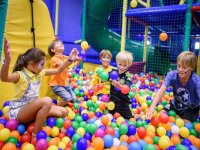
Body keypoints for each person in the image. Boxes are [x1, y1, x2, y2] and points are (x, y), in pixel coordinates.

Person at [0, 38, 80, 138]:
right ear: (31, 64)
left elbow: (58, 70)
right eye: (41, 64)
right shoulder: (20, 75)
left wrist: (70, 60)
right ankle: (35, 134)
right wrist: (6, 63)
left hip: (33, 110)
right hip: (19, 112)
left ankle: (35, 122)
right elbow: (4, 78)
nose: (43, 67)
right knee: (47, 101)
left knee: (63, 112)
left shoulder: (39, 73)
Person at [146, 51, 200, 122]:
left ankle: (178, 117)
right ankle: (177, 116)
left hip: (190, 108)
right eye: (179, 66)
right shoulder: (172, 75)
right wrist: (152, 107)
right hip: (175, 104)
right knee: (160, 117)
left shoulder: (196, 81)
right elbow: (161, 91)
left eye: (184, 68)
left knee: (185, 126)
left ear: (191, 67)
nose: (180, 70)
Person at [48, 38, 82, 107]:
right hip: (56, 85)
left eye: (61, 43)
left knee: (74, 99)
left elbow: (75, 64)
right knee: (68, 98)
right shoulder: (54, 58)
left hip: (65, 84)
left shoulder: (65, 57)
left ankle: (63, 104)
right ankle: (54, 108)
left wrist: (79, 58)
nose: (60, 44)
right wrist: (71, 57)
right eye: (57, 43)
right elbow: (63, 64)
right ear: (53, 50)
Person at [108, 51, 135, 120]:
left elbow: (126, 89)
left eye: (125, 65)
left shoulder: (128, 76)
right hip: (113, 100)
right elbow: (105, 77)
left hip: (123, 101)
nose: (122, 67)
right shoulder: (112, 71)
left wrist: (118, 86)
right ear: (117, 62)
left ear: (129, 65)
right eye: (120, 64)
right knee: (111, 115)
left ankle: (138, 115)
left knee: (130, 118)